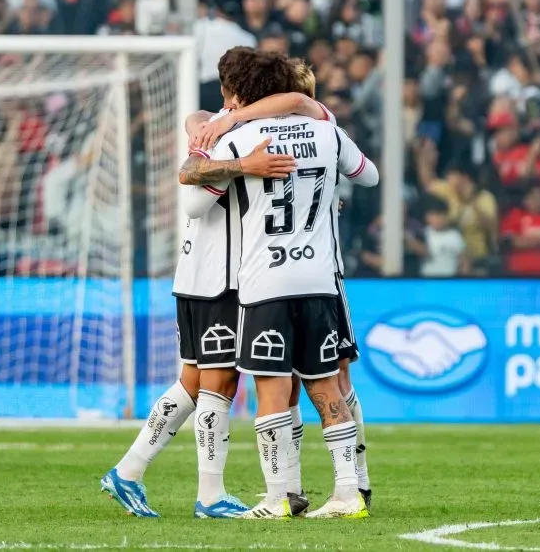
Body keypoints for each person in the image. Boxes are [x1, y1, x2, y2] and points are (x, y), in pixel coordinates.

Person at [100, 49, 332, 518]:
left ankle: (128, 471)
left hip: (211, 273)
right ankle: (207, 494)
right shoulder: (231, 134)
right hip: (217, 276)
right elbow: (191, 199)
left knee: (192, 382)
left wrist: (210, 123)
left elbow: (209, 115)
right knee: (218, 382)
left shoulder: (229, 122)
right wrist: (243, 164)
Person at [181, 63, 379, 520]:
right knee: (327, 386)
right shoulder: (326, 131)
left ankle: (278, 498)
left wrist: (232, 166)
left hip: (265, 283)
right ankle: (349, 492)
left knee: (273, 391)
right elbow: (368, 176)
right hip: (320, 280)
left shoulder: (239, 140)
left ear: (243, 97)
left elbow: (193, 200)